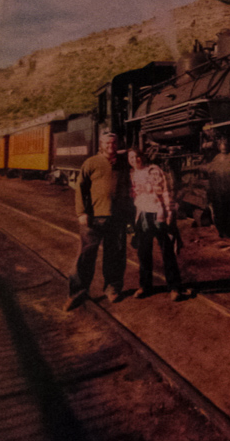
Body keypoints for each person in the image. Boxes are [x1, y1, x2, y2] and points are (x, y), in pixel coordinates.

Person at [65, 132, 132, 311]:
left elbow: (129, 188)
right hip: (94, 217)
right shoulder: (91, 163)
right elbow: (80, 189)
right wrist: (81, 212)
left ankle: (112, 289)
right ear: (101, 145)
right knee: (86, 256)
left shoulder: (123, 163)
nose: (111, 146)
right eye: (107, 143)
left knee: (116, 255)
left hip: (117, 217)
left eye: (114, 142)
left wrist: (129, 215)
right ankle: (77, 293)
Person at [128, 149, 184, 301]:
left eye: (137, 156)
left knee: (167, 252)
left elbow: (165, 190)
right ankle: (145, 286)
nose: (135, 160)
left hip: (158, 215)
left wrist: (170, 213)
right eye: (131, 157)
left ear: (143, 157)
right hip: (142, 216)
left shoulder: (153, 170)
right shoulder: (132, 174)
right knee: (143, 253)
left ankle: (174, 287)